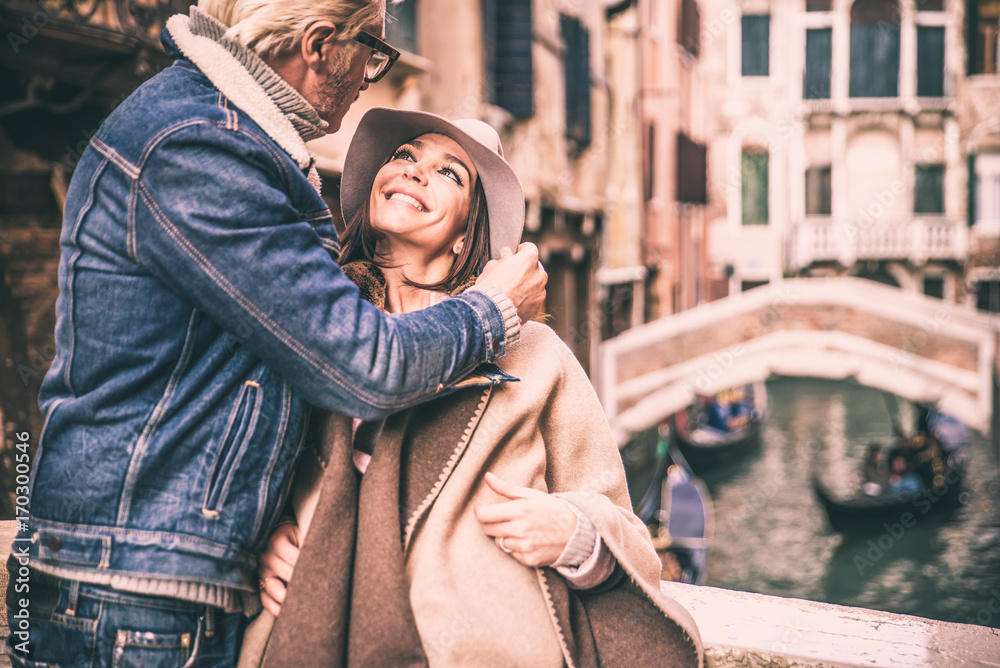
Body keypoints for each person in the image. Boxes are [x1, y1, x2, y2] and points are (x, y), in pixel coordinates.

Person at [7, 1, 546, 666]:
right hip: (135, 594)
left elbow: (241, 391)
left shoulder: (223, 136)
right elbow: (365, 366)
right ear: (321, 47)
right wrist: (494, 310)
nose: (370, 75)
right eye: (371, 50)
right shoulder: (203, 146)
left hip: (139, 580)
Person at [243, 108, 703, 667]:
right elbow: (239, 462)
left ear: (467, 233)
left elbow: (631, 539)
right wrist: (265, 537)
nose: (414, 172)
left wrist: (574, 533)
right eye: (405, 156)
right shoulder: (316, 328)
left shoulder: (536, 355)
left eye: (449, 173)